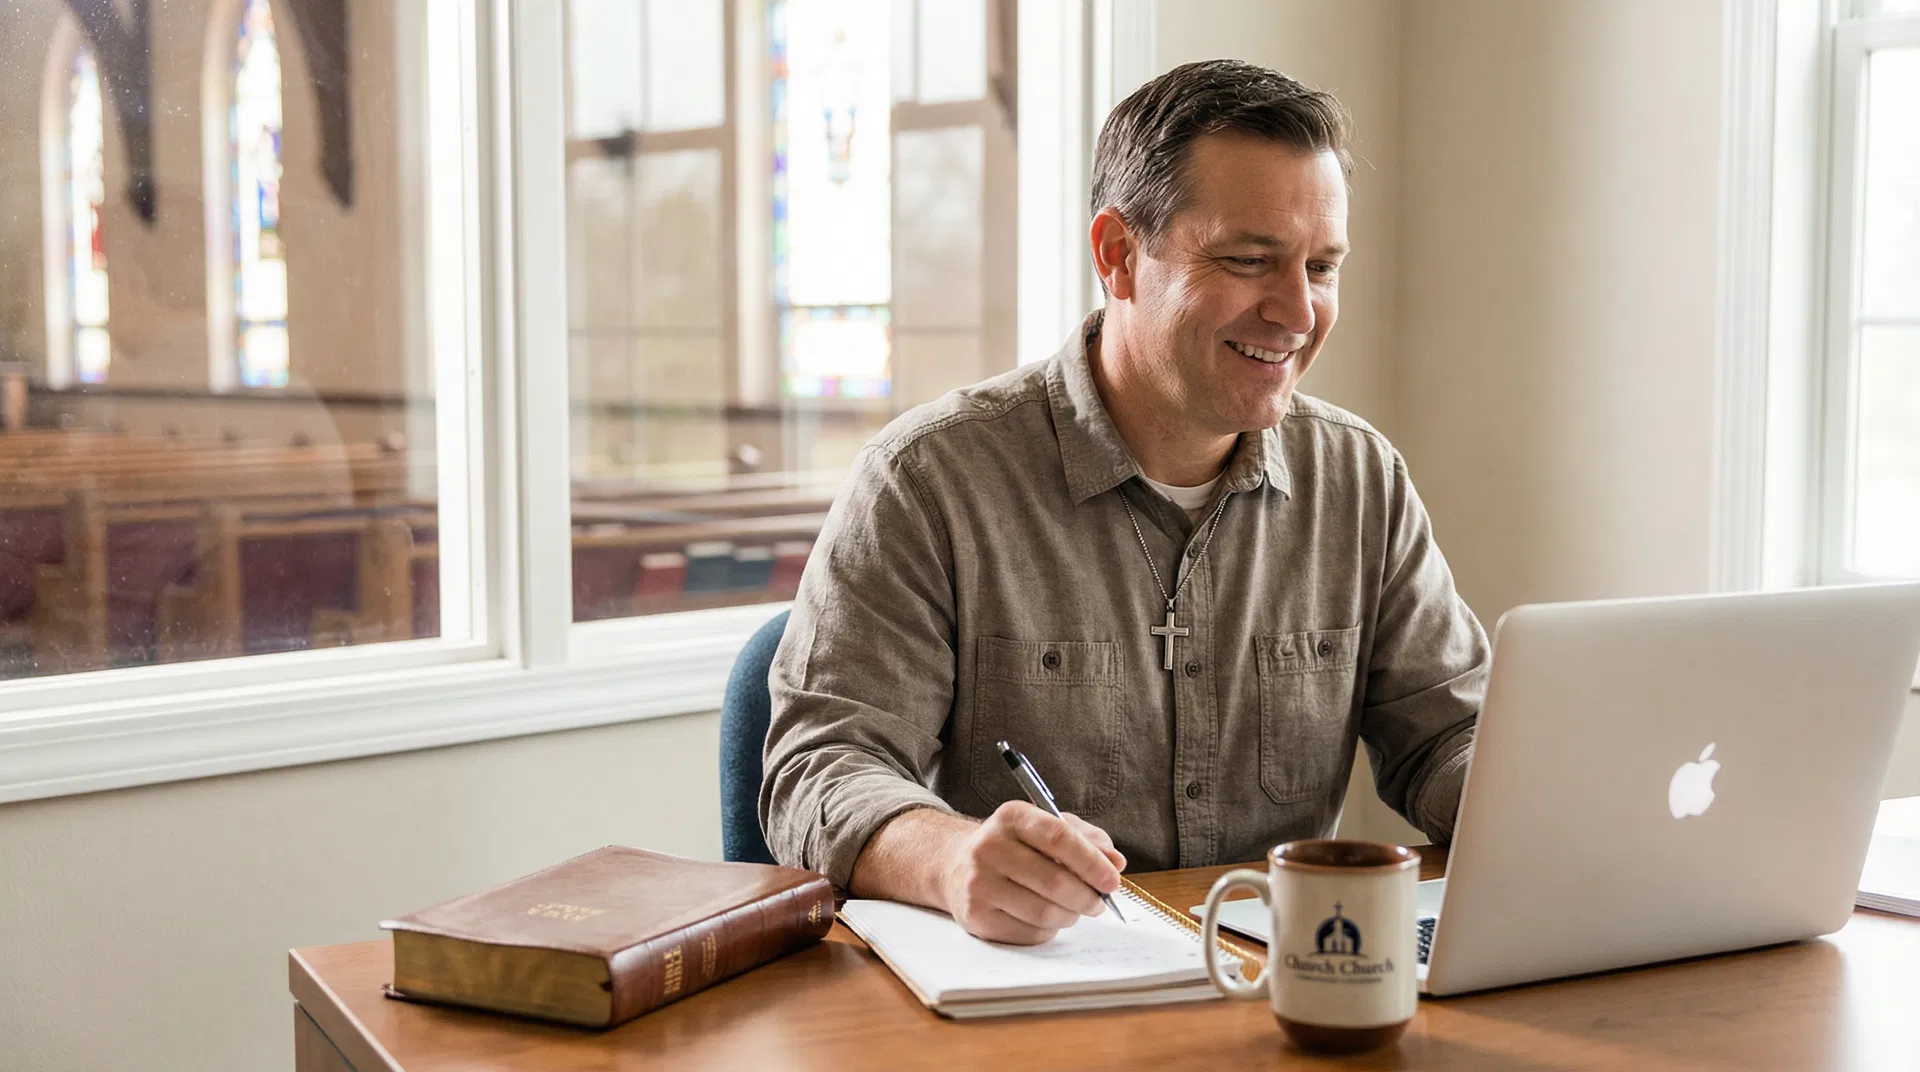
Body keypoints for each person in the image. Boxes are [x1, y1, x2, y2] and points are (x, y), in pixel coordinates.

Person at [760, 59, 1488, 945]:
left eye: (1323, 267)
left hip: (1284, 982)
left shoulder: (1361, 480)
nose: (1298, 311)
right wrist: (952, 859)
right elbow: (820, 772)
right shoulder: (928, 481)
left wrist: (1541, 798)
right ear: (1117, 256)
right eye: (1250, 260)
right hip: (1032, 989)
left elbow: (1447, 735)